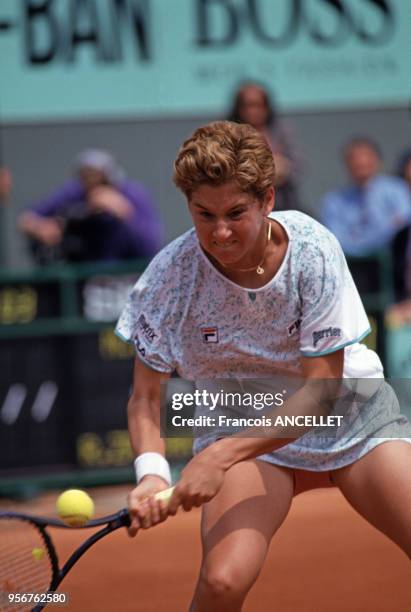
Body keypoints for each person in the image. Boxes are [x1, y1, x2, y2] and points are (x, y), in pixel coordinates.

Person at [116, 122, 411, 611]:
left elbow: (322, 392)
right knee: (223, 581)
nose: (220, 232)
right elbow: (146, 396)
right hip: (243, 421)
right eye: (203, 214)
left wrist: (219, 455)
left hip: (347, 415)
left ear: (267, 199)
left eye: (236, 213)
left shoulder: (313, 250)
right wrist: (151, 473)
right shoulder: (168, 280)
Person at [18, 149, 162, 264]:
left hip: (125, 280)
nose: (91, 181)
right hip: (84, 282)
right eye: (85, 176)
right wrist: (43, 228)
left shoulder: (132, 195)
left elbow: (151, 247)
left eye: (97, 175)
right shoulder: (75, 193)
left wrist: (123, 212)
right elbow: (26, 219)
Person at [228, 81, 303, 212]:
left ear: (267, 107)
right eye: (248, 106)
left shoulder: (281, 133)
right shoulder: (228, 134)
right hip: (243, 205)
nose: (253, 111)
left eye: (258, 105)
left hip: (283, 203)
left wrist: (284, 168)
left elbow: (297, 167)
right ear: (238, 108)